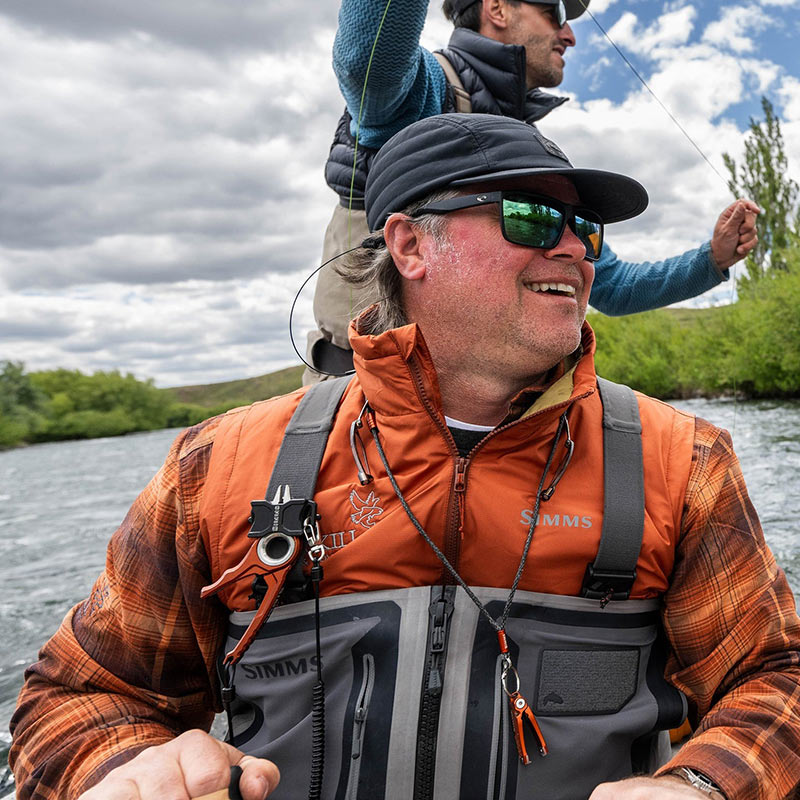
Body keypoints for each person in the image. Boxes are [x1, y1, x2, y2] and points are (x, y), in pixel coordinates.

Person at [10, 114, 799, 800]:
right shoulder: (215, 465)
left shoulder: (684, 462)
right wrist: (127, 767)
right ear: (411, 245)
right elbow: (81, 695)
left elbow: (775, 679)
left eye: (584, 229)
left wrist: (703, 784)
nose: (574, 248)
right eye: (531, 218)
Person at [306, 0, 759, 382]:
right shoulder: (422, 90)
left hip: (496, 409)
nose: (570, 35)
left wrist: (712, 259)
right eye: (555, 11)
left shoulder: (530, 153)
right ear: (497, 8)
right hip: (368, 399)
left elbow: (614, 287)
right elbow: (368, 63)